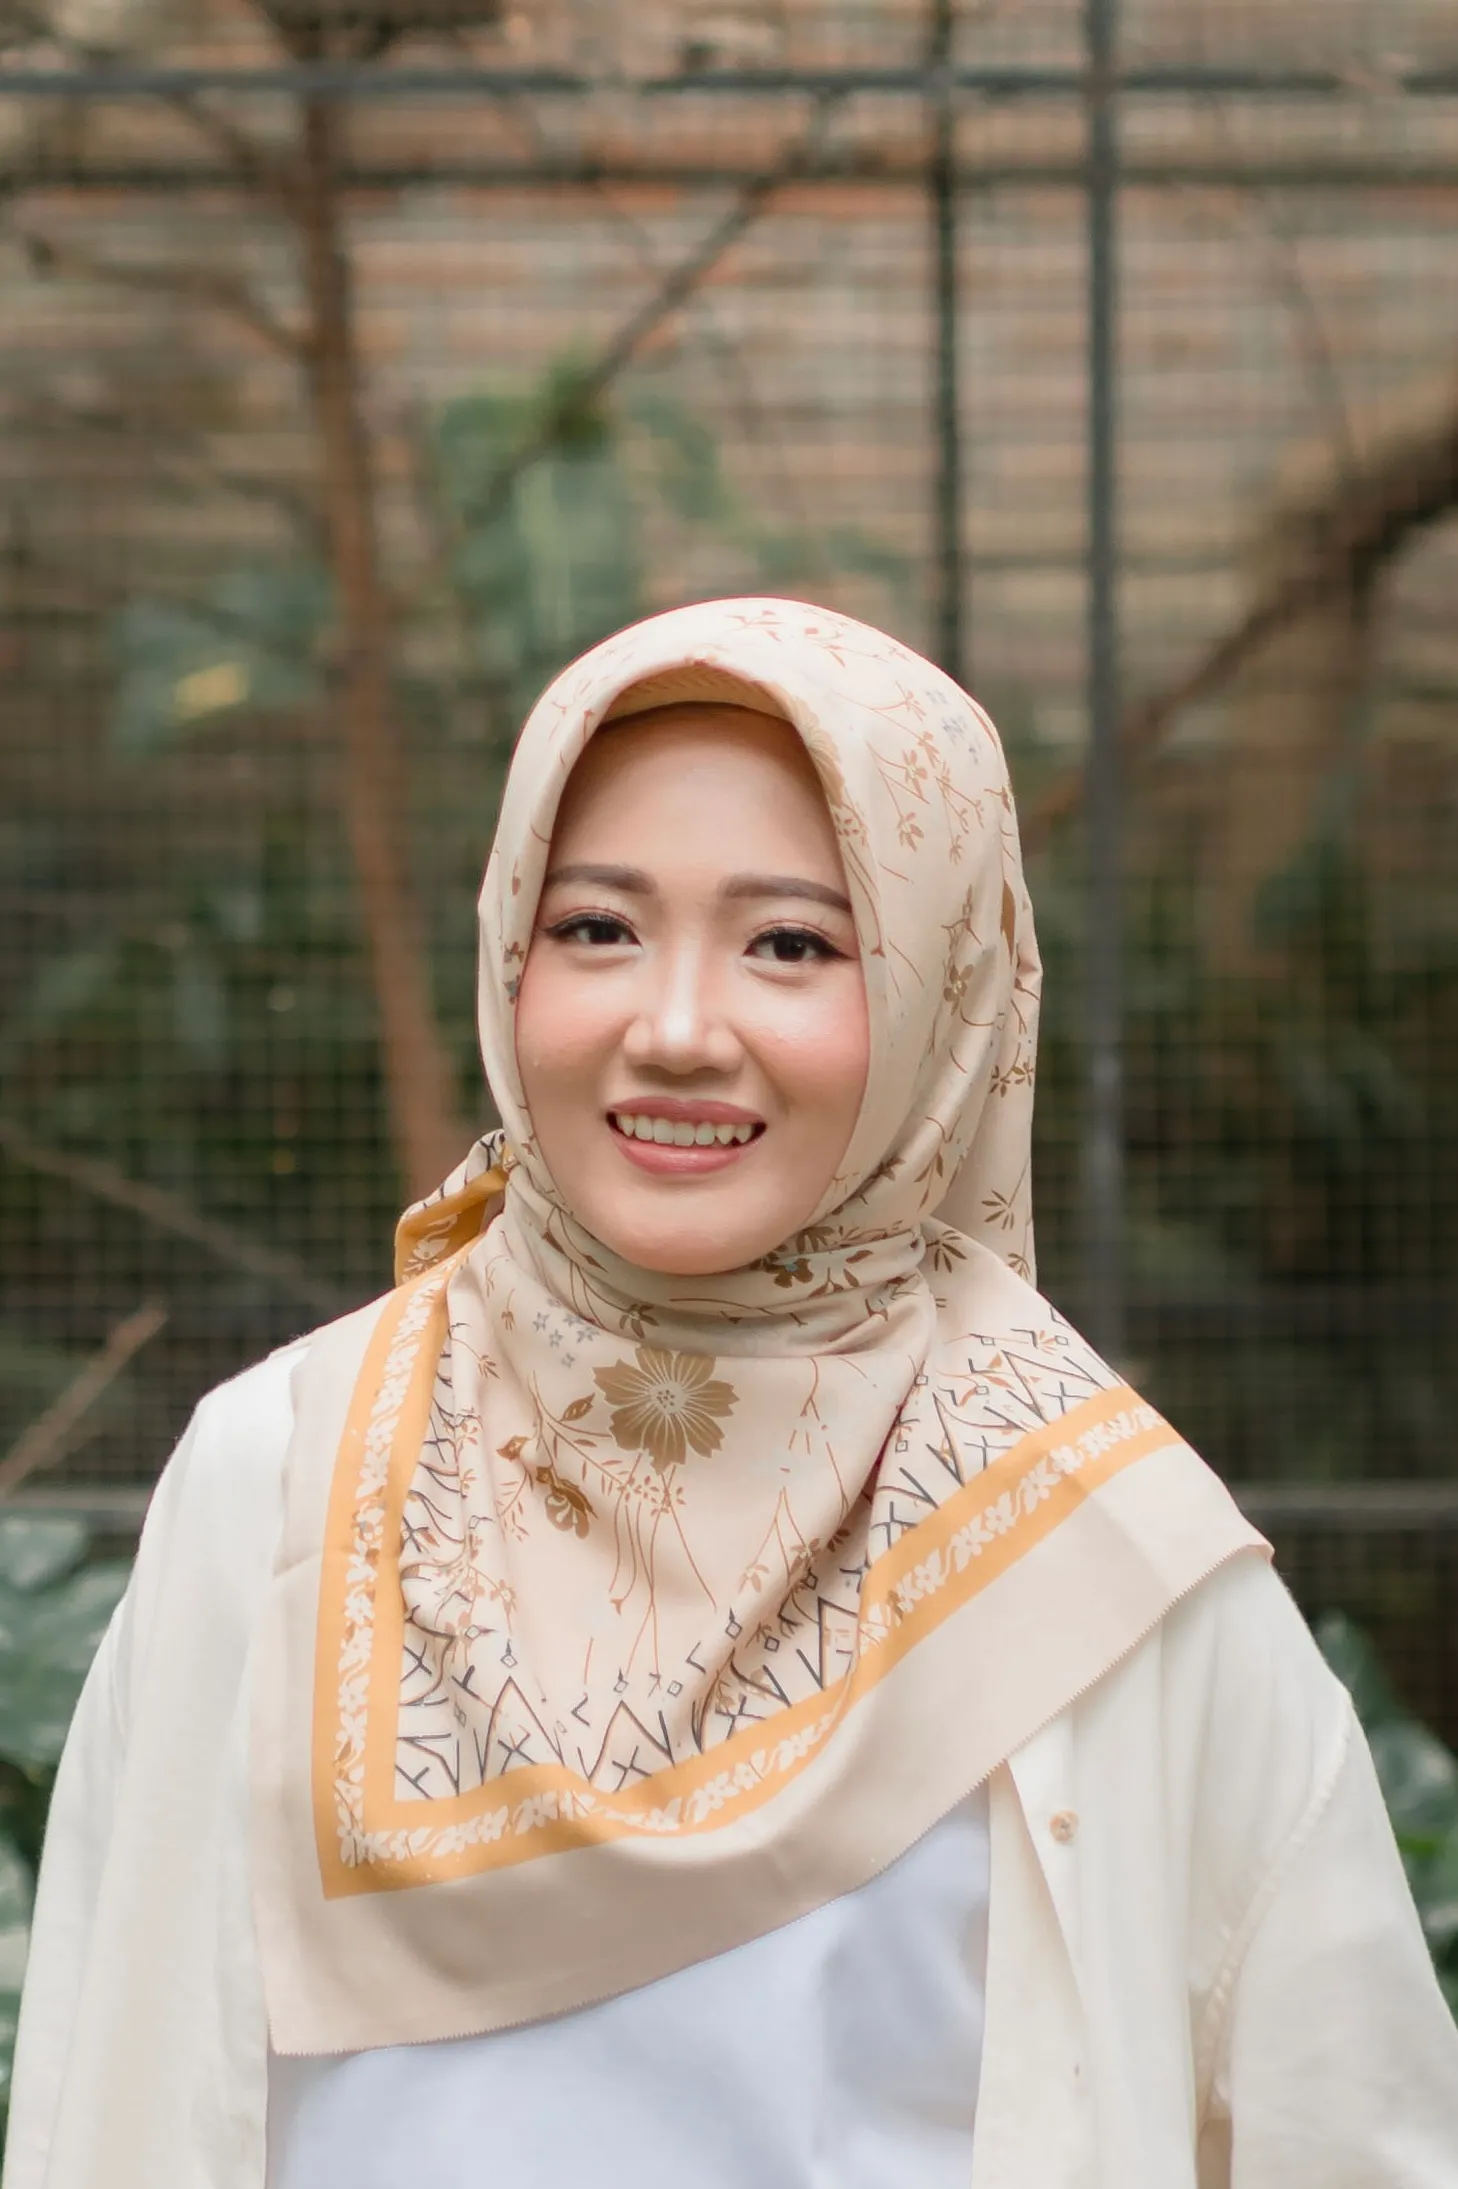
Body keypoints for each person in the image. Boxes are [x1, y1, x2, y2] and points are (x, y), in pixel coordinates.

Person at [6, 597, 1457, 2189]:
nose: (677, 1030)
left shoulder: (1099, 1545)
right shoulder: (284, 1472)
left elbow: (1345, 2134)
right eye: (596, 928)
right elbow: (111, 2100)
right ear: (507, 952)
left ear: (943, 991)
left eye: (792, 945)